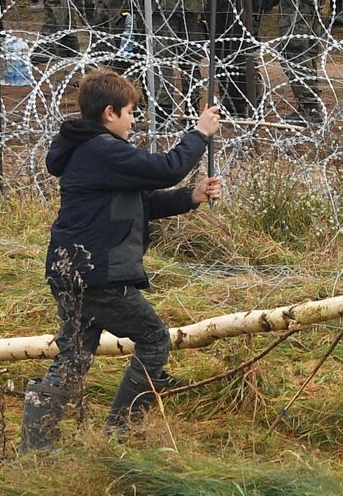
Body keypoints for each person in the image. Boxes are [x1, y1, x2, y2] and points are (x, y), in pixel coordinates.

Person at [20, 68, 223, 453]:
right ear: (110, 112)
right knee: (154, 338)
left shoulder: (93, 151)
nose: (134, 120)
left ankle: (37, 449)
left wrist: (189, 198)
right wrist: (200, 133)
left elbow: (139, 202)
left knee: (73, 361)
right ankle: (120, 431)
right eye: (131, 112)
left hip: (74, 273)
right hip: (99, 276)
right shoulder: (102, 149)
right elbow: (166, 169)